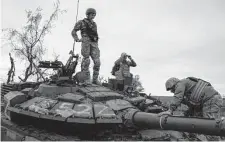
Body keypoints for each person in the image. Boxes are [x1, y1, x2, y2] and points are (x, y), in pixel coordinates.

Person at [71, 8, 100, 84]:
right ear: (87, 14)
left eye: (94, 14)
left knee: (97, 62)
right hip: (86, 43)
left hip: (94, 44)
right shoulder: (81, 22)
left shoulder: (94, 24)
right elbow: (73, 31)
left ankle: (95, 80)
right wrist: (77, 39)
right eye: (92, 14)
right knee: (86, 61)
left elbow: (95, 34)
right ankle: (85, 79)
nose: (93, 16)